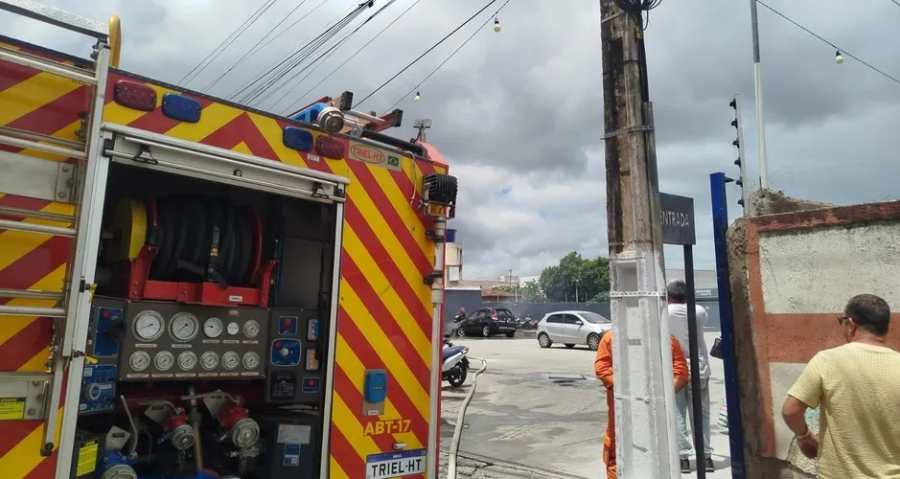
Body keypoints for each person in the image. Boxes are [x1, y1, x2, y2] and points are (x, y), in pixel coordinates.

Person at [782, 294, 900, 479]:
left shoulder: (826, 361)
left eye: (842, 321)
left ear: (851, 324)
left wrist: (804, 437)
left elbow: (791, 411)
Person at [595, 330, 690, 479]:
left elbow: (681, 375)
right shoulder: (666, 339)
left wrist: (651, 396)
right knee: (619, 455)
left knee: (653, 456)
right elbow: (681, 376)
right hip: (625, 414)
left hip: (649, 415)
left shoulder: (667, 340)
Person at [665, 279, 715, 473]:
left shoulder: (664, 313)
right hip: (699, 369)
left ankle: (683, 458)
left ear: (668, 296)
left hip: (675, 371)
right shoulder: (699, 311)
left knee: (677, 414)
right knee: (701, 415)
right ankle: (706, 457)